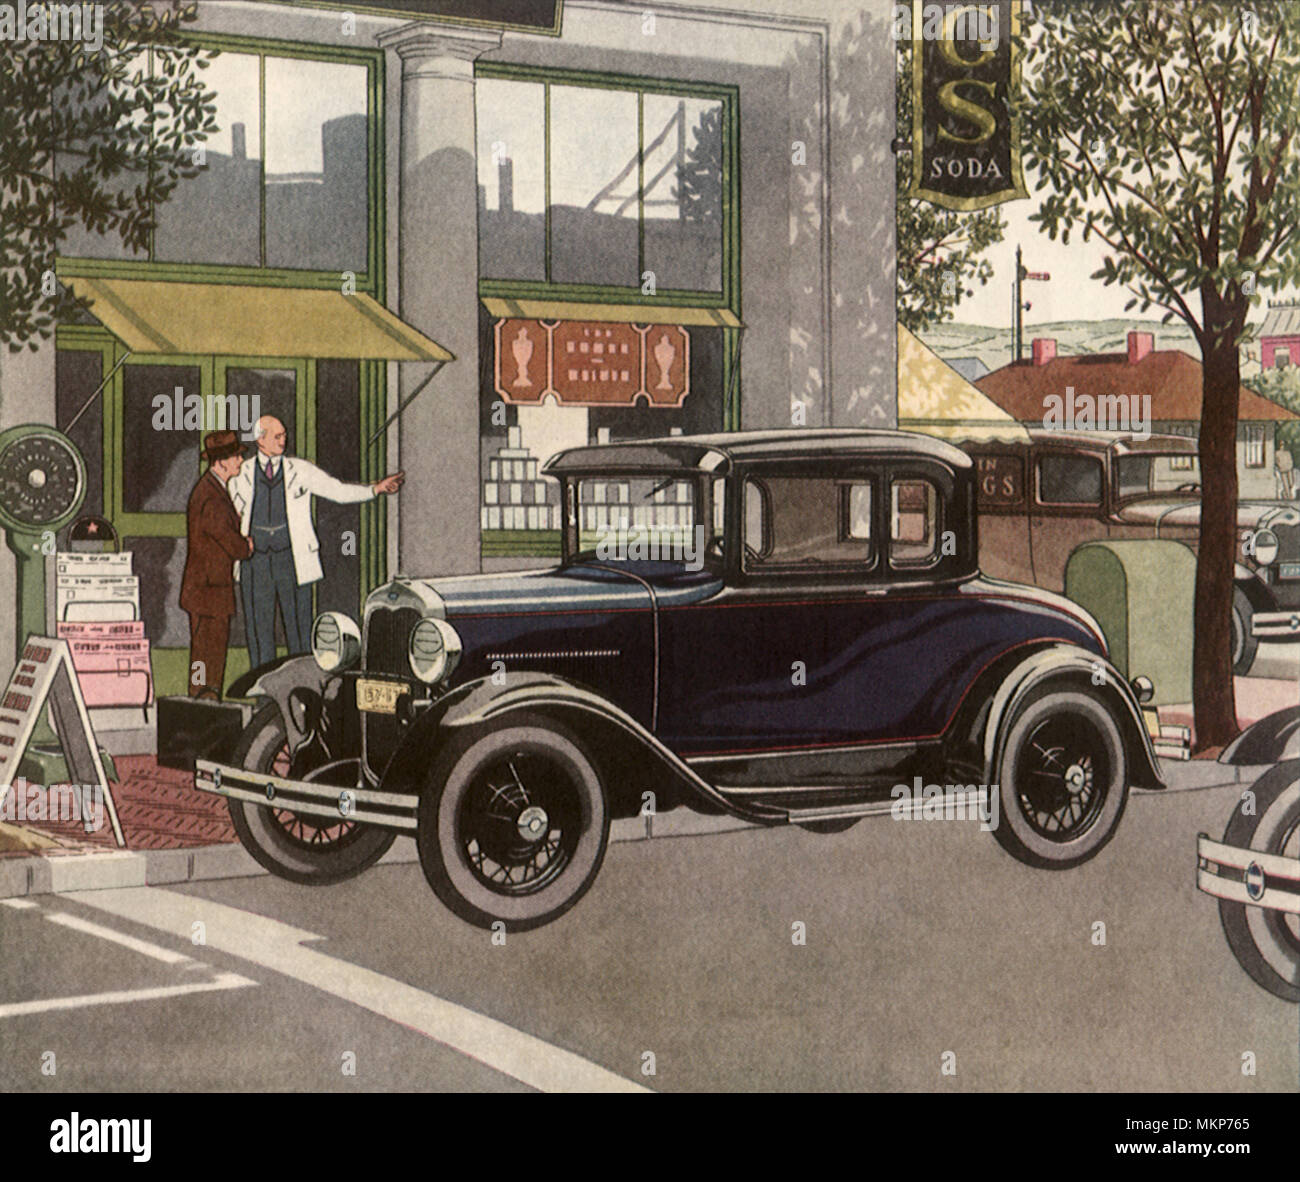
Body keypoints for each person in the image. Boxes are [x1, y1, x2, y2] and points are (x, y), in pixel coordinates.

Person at [228, 415, 405, 670]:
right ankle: (264, 701)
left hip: (292, 560)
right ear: (260, 439)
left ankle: (301, 693)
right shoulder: (241, 473)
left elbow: (337, 490)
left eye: (284, 435)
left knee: (299, 631)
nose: (283, 440)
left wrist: (374, 489)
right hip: (254, 564)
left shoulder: (299, 469)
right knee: (258, 632)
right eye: (277, 436)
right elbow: (226, 513)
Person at [180, 431, 253, 700]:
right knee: (204, 653)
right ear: (220, 462)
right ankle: (201, 697)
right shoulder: (210, 495)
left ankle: (202, 696)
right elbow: (226, 538)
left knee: (206, 652)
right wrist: (246, 546)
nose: (240, 460)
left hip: (208, 589)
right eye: (235, 456)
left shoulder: (213, 489)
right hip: (208, 590)